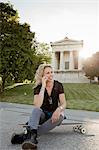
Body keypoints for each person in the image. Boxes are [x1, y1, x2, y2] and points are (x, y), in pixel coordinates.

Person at [11, 64, 66, 149]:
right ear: (42, 76)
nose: (51, 74)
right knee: (36, 110)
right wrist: (43, 87)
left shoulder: (58, 85)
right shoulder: (38, 87)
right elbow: (37, 105)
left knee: (61, 117)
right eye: (48, 73)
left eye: (52, 72)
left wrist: (59, 109)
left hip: (54, 115)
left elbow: (64, 103)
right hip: (42, 116)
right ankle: (32, 139)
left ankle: (27, 136)